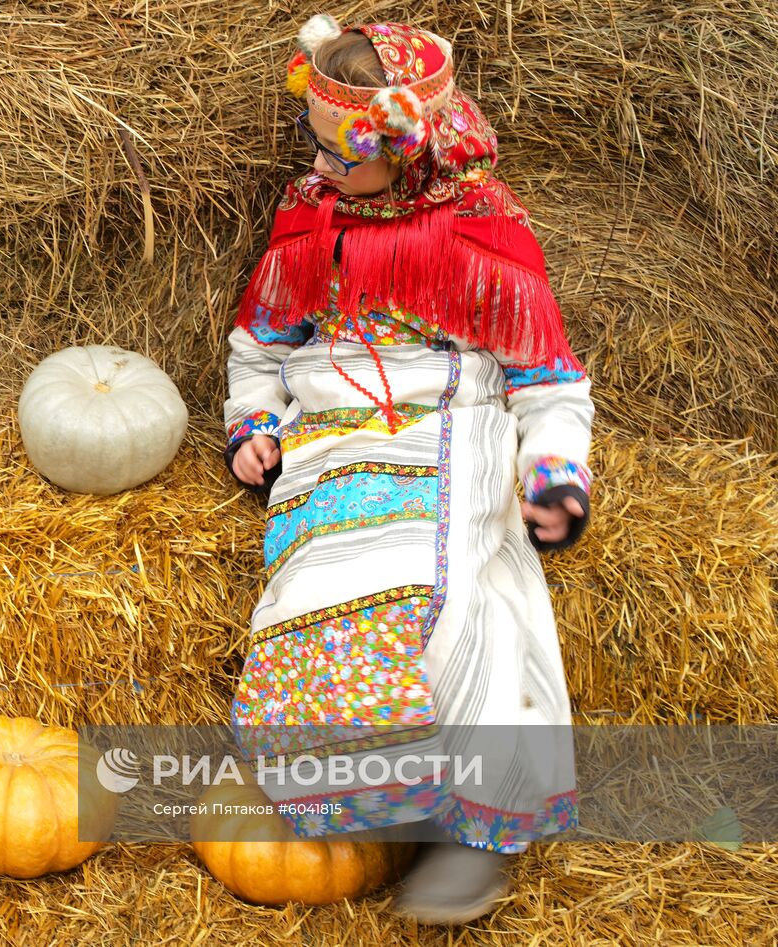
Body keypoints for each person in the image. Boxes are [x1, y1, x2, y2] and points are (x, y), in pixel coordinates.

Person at [221, 14, 594, 925]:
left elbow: (547, 380)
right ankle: (370, 800)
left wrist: (552, 474)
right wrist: (255, 424)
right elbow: (259, 344)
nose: (323, 172)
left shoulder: (482, 232)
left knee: (457, 589)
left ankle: (468, 827)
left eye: (344, 158)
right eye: (317, 151)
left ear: (408, 147)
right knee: (316, 585)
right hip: (335, 440)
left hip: (450, 424)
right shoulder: (312, 215)